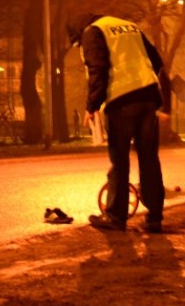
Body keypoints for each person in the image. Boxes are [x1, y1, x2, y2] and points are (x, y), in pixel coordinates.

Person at [67, 13, 171, 233]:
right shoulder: (129, 26)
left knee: (120, 161)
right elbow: (156, 59)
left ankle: (116, 217)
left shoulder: (92, 32)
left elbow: (98, 68)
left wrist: (92, 105)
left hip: (122, 102)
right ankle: (154, 219)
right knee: (149, 159)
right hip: (148, 97)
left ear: (80, 31)